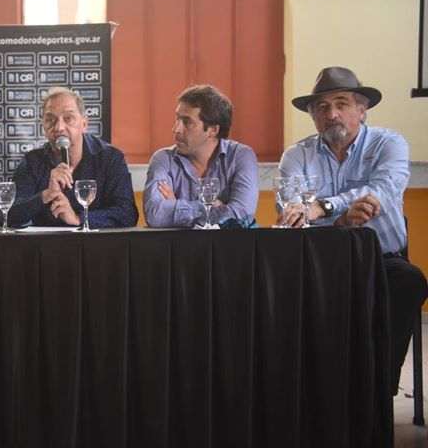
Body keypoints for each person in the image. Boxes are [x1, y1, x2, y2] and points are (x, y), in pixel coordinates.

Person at [279, 66, 428, 394]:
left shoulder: (389, 144)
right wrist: (339, 221)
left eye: (341, 104)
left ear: (362, 110)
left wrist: (325, 206)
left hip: (380, 259)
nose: (331, 114)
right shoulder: (297, 155)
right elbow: (291, 214)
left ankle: (378, 389)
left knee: (409, 280)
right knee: (272, 287)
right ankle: (305, 393)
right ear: (313, 117)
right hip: (318, 262)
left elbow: (383, 192)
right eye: (322, 107)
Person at [8, 87, 138, 228]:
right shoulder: (32, 161)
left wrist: (78, 218)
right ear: (43, 127)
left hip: (95, 241)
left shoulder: (110, 158)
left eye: (68, 118)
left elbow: (127, 214)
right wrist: (46, 195)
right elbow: (7, 214)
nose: (59, 127)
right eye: (50, 120)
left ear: (84, 124)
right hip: (47, 241)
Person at [143, 85, 258, 227]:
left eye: (187, 122)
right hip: (179, 243)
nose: (176, 129)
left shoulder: (240, 157)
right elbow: (154, 214)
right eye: (177, 119)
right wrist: (212, 207)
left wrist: (176, 207)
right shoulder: (163, 159)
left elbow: (241, 215)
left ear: (212, 130)